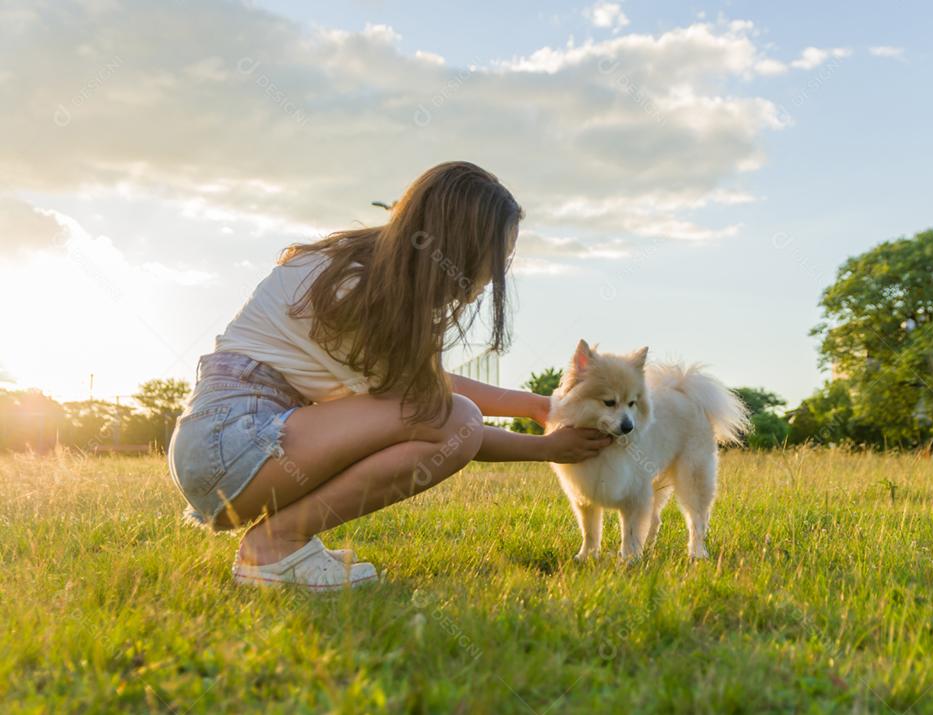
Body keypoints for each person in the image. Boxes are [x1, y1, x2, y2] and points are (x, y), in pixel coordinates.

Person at [167, 161, 612, 591]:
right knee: (454, 421)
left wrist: (535, 406)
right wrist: (547, 448)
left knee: (450, 415)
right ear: (463, 246)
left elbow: (424, 387)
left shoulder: (360, 270)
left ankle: (286, 541)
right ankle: (273, 546)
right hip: (230, 445)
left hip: (227, 445)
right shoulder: (357, 290)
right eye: (500, 255)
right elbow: (439, 414)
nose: (499, 272)